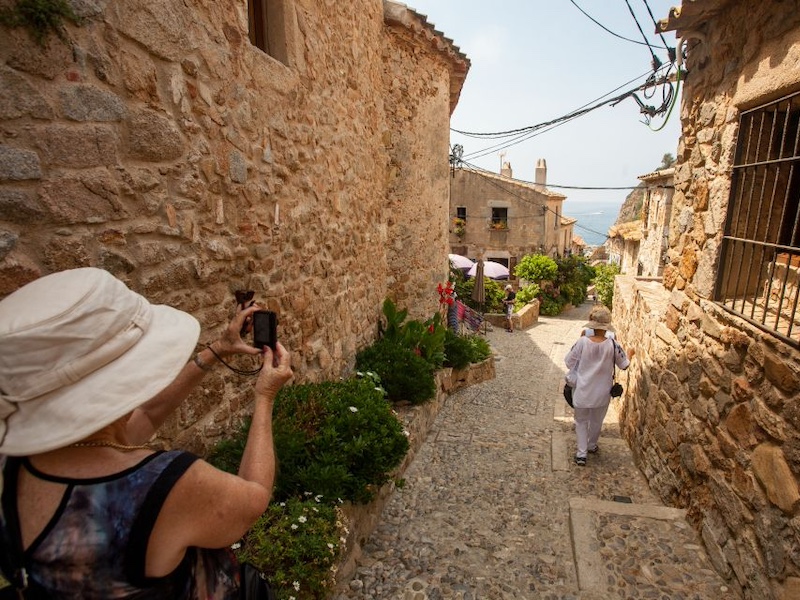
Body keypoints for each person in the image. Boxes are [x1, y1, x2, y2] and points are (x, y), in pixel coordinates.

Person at [0, 267, 293, 598]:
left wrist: (218, 350)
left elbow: (147, 415)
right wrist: (265, 397)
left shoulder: (14, 468)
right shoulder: (167, 485)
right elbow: (252, 498)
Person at [564, 306, 634, 467]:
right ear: (607, 327)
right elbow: (624, 365)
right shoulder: (613, 344)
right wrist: (630, 354)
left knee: (581, 421)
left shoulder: (582, 342)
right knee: (597, 421)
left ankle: (581, 455)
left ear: (591, 325)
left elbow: (568, 362)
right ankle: (591, 445)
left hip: (582, 390)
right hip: (602, 392)